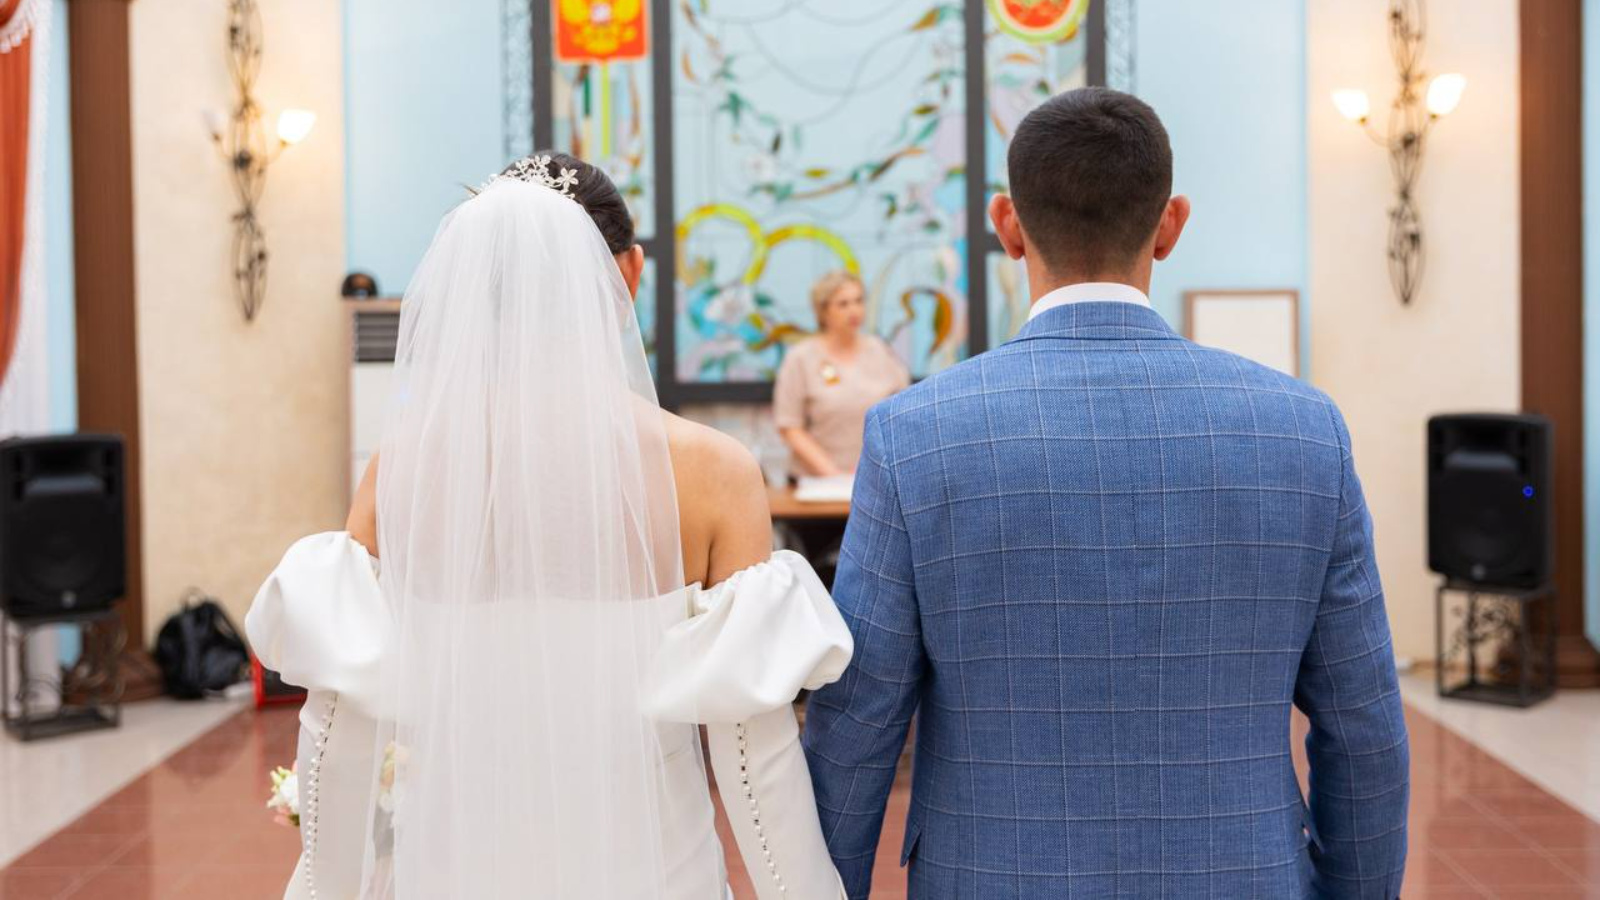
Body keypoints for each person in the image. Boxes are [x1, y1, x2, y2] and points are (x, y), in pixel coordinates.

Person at [803, 87, 1410, 899]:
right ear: (1170, 225)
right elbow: (1365, 729)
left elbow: (857, 725)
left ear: (1007, 225)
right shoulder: (1303, 430)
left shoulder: (917, 436)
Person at [246, 153, 853, 899]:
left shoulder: (405, 469)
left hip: (456, 864)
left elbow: (338, 730)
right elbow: (755, 754)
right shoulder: (714, 471)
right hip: (652, 867)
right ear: (628, 273)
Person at [773, 272, 910, 478]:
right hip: (816, 482)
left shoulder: (880, 351)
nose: (854, 310)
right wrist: (834, 475)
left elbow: (904, 412)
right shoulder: (800, 358)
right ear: (823, 312)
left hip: (874, 479)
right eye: (843, 304)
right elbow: (790, 427)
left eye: (859, 301)